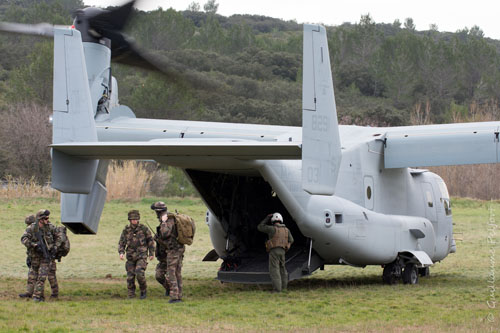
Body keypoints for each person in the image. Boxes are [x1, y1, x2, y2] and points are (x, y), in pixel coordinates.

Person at [20, 209, 61, 302]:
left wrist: (55, 247)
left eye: (48, 218)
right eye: (45, 218)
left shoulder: (50, 227)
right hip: (35, 257)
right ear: (40, 219)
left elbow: (59, 236)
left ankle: (37, 296)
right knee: (32, 275)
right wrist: (34, 245)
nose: (47, 220)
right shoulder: (31, 228)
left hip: (46, 257)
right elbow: (23, 239)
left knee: (42, 277)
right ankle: (36, 295)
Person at [118, 210, 155, 299]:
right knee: (130, 276)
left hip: (141, 255)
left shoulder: (144, 229)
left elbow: (150, 241)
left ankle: (143, 290)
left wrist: (151, 253)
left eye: (136, 219)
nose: (134, 221)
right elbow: (122, 242)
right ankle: (131, 293)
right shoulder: (126, 230)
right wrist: (121, 252)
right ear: (129, 220)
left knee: (139, 273)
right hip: (130, 256)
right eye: (132, 219)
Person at [257, 213, 294, 293]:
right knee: (283, 269)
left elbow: (260, 227)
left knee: (274, 270)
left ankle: (277, 290)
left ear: (273, 221)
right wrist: (287, 247)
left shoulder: (271, 229)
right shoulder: (286, 230)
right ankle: (284, 288)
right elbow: (291, 240)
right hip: (282, 251)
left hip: (274, 251)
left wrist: (267, 218)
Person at [157, 204, 185, 303]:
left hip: (173, 250)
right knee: (177, 272)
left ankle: (174, 296)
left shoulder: (168, 219)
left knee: (171, 272)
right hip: (179, 249)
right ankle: (179, 296)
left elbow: (165, 233)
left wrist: (163, 222)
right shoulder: (172, 218)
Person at [150, 201, 170, 297]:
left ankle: (175, 295)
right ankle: (169, 289)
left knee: (173, 276)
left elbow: (167, 235)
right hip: (162, 257)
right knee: (159, 276)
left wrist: (164, 222)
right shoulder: (162, 222)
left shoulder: (167, 221)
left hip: (171, 255)